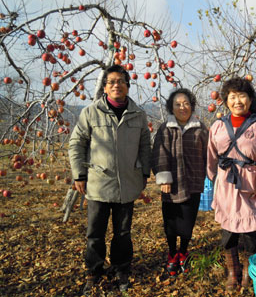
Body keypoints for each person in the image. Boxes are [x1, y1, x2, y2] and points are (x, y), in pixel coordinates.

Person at [68, 64, 151, 294]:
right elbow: (76, 143)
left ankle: (121, 267)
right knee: (95, 232)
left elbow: (145, 145)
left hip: (128, 183)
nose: (116, 85)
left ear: (127, 86)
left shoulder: (138, 114)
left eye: (121, 81)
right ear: (105, 86)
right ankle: (94, 271)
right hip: (98, 184)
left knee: (123, 232)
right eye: (112, 81)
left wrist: (144, 172)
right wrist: (79, 174)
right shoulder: (91, 112)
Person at [206, 77, 256, 290]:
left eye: (242, 96)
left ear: (250, 99)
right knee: (228, 231)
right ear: (226, 100)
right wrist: (211, 180)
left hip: (251, 185)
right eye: (233, 97)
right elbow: (211, 155)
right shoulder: (218, 125)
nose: (238, 101)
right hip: (226, 185)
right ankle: (233, 270)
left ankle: (249, 270)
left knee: (252, 233)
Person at [152, 88, 208, 277]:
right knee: (171, 222)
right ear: (171, 107)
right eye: (178, 104)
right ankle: (171, 253)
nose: (182, 107)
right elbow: (159, 153)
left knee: (187, 221)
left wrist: (211, 175)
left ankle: (183, 252)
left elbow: (209, 153)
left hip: (193, 182)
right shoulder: (165, 128)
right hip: (172, 183)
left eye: (186, 103)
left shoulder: (200, 128)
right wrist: (164, 178)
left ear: (191, 105)